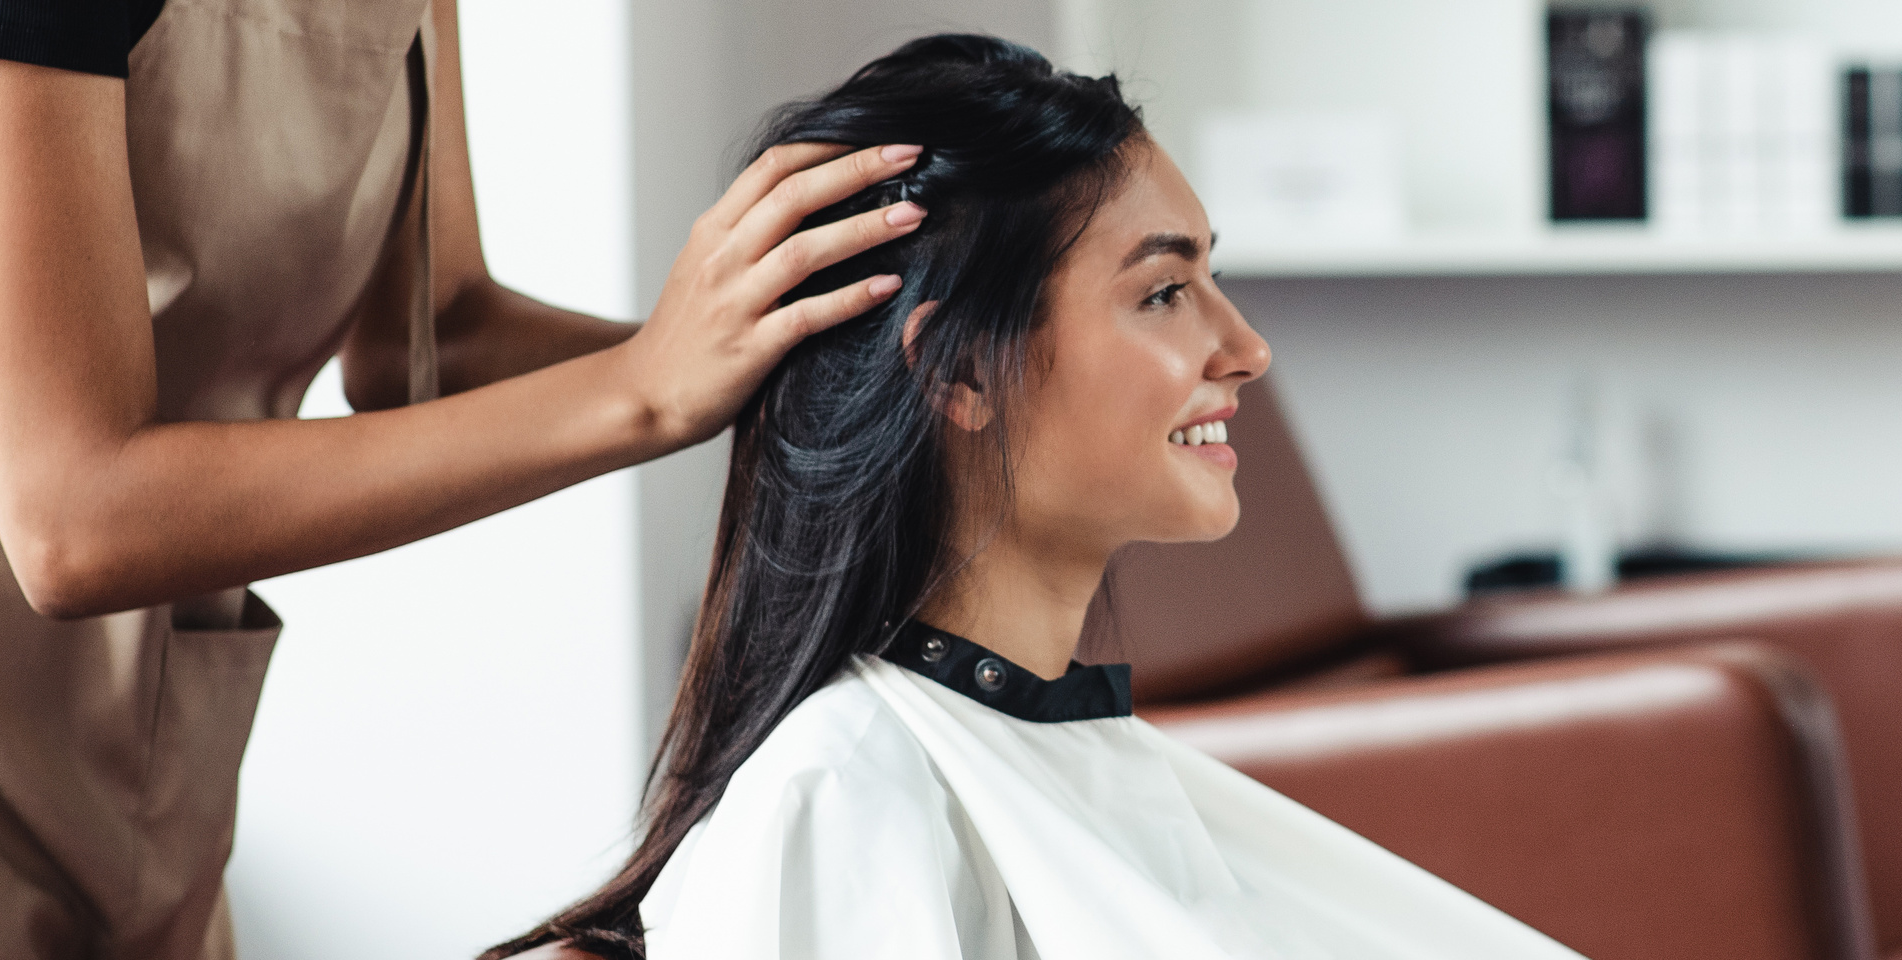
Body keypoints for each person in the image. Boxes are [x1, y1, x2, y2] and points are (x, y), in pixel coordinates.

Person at [0, 0, 920, 956]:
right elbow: (73, 515)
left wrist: (780, 352)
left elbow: (430, 335)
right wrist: (647, 387)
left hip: (125, 727)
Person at [485, 36, 1587, 960]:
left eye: (1210, 281)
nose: (1246, 349)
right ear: (961, 374)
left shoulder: (1061, 756)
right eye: (1163, 292)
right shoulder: (844, 793)